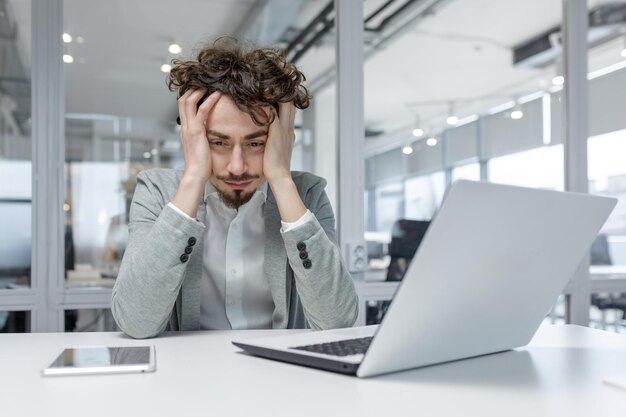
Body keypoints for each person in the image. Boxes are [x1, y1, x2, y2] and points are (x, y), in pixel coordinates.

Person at [111, 38, 358, 338]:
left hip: (281, 376)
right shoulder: (158, 191)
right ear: (194, 138)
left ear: (280, 140)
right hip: (185, 376)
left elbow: (338, 322)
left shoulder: (306, 194)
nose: (237, 166)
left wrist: (280, 176)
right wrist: (193, 178)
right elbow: (135, 322)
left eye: (256, 143)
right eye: (218, 143)